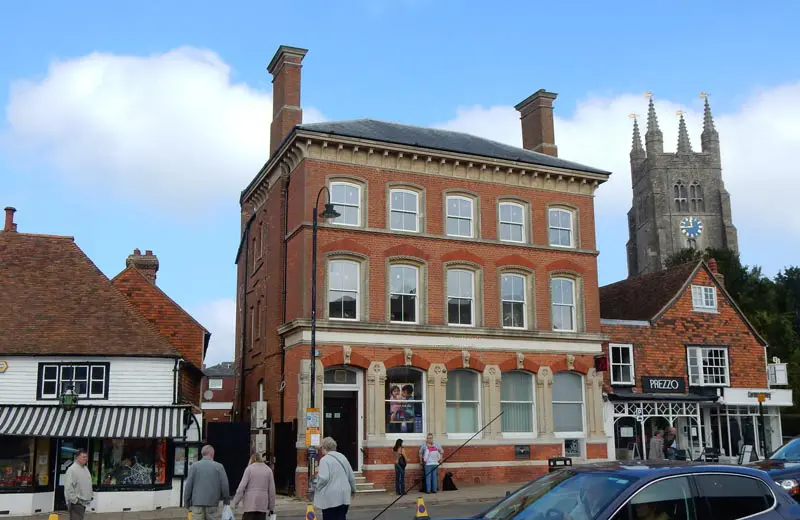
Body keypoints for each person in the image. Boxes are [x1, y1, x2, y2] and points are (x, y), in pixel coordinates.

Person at [184, 445, 231, 520]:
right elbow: (225, 485)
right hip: (212, 504)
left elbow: (188, 486)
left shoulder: (194, 466)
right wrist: (226, 501)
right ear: (212, 454)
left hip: (197, 504)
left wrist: (186, 502)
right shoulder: (219, 467)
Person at [314, 437, 356, 520]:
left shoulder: (324, 460)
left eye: (321, 447)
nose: (321, 450)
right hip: (344, 495)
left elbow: (324, 478)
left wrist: (317, 487)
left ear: (324, 447)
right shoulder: (342, 457)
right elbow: (351, 476)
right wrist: (353, 490)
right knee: (341, 517)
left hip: (331, 497)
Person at [233, 453, 276, 520]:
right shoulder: (268, 470)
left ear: (252, 460)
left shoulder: (249, 469)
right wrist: (271, 508)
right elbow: (272, 491)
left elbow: (241, 487)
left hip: (249, 505)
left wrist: (235, 502)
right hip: (262, 505)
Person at [64, 449, 93, 520]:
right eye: (84, 457)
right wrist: (75, 500)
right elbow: (68, 487)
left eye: (86, 457)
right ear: (77, 457)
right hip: (77, 503)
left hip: (83, 502)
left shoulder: (85, 468)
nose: (86, 459)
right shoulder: (72, 469)